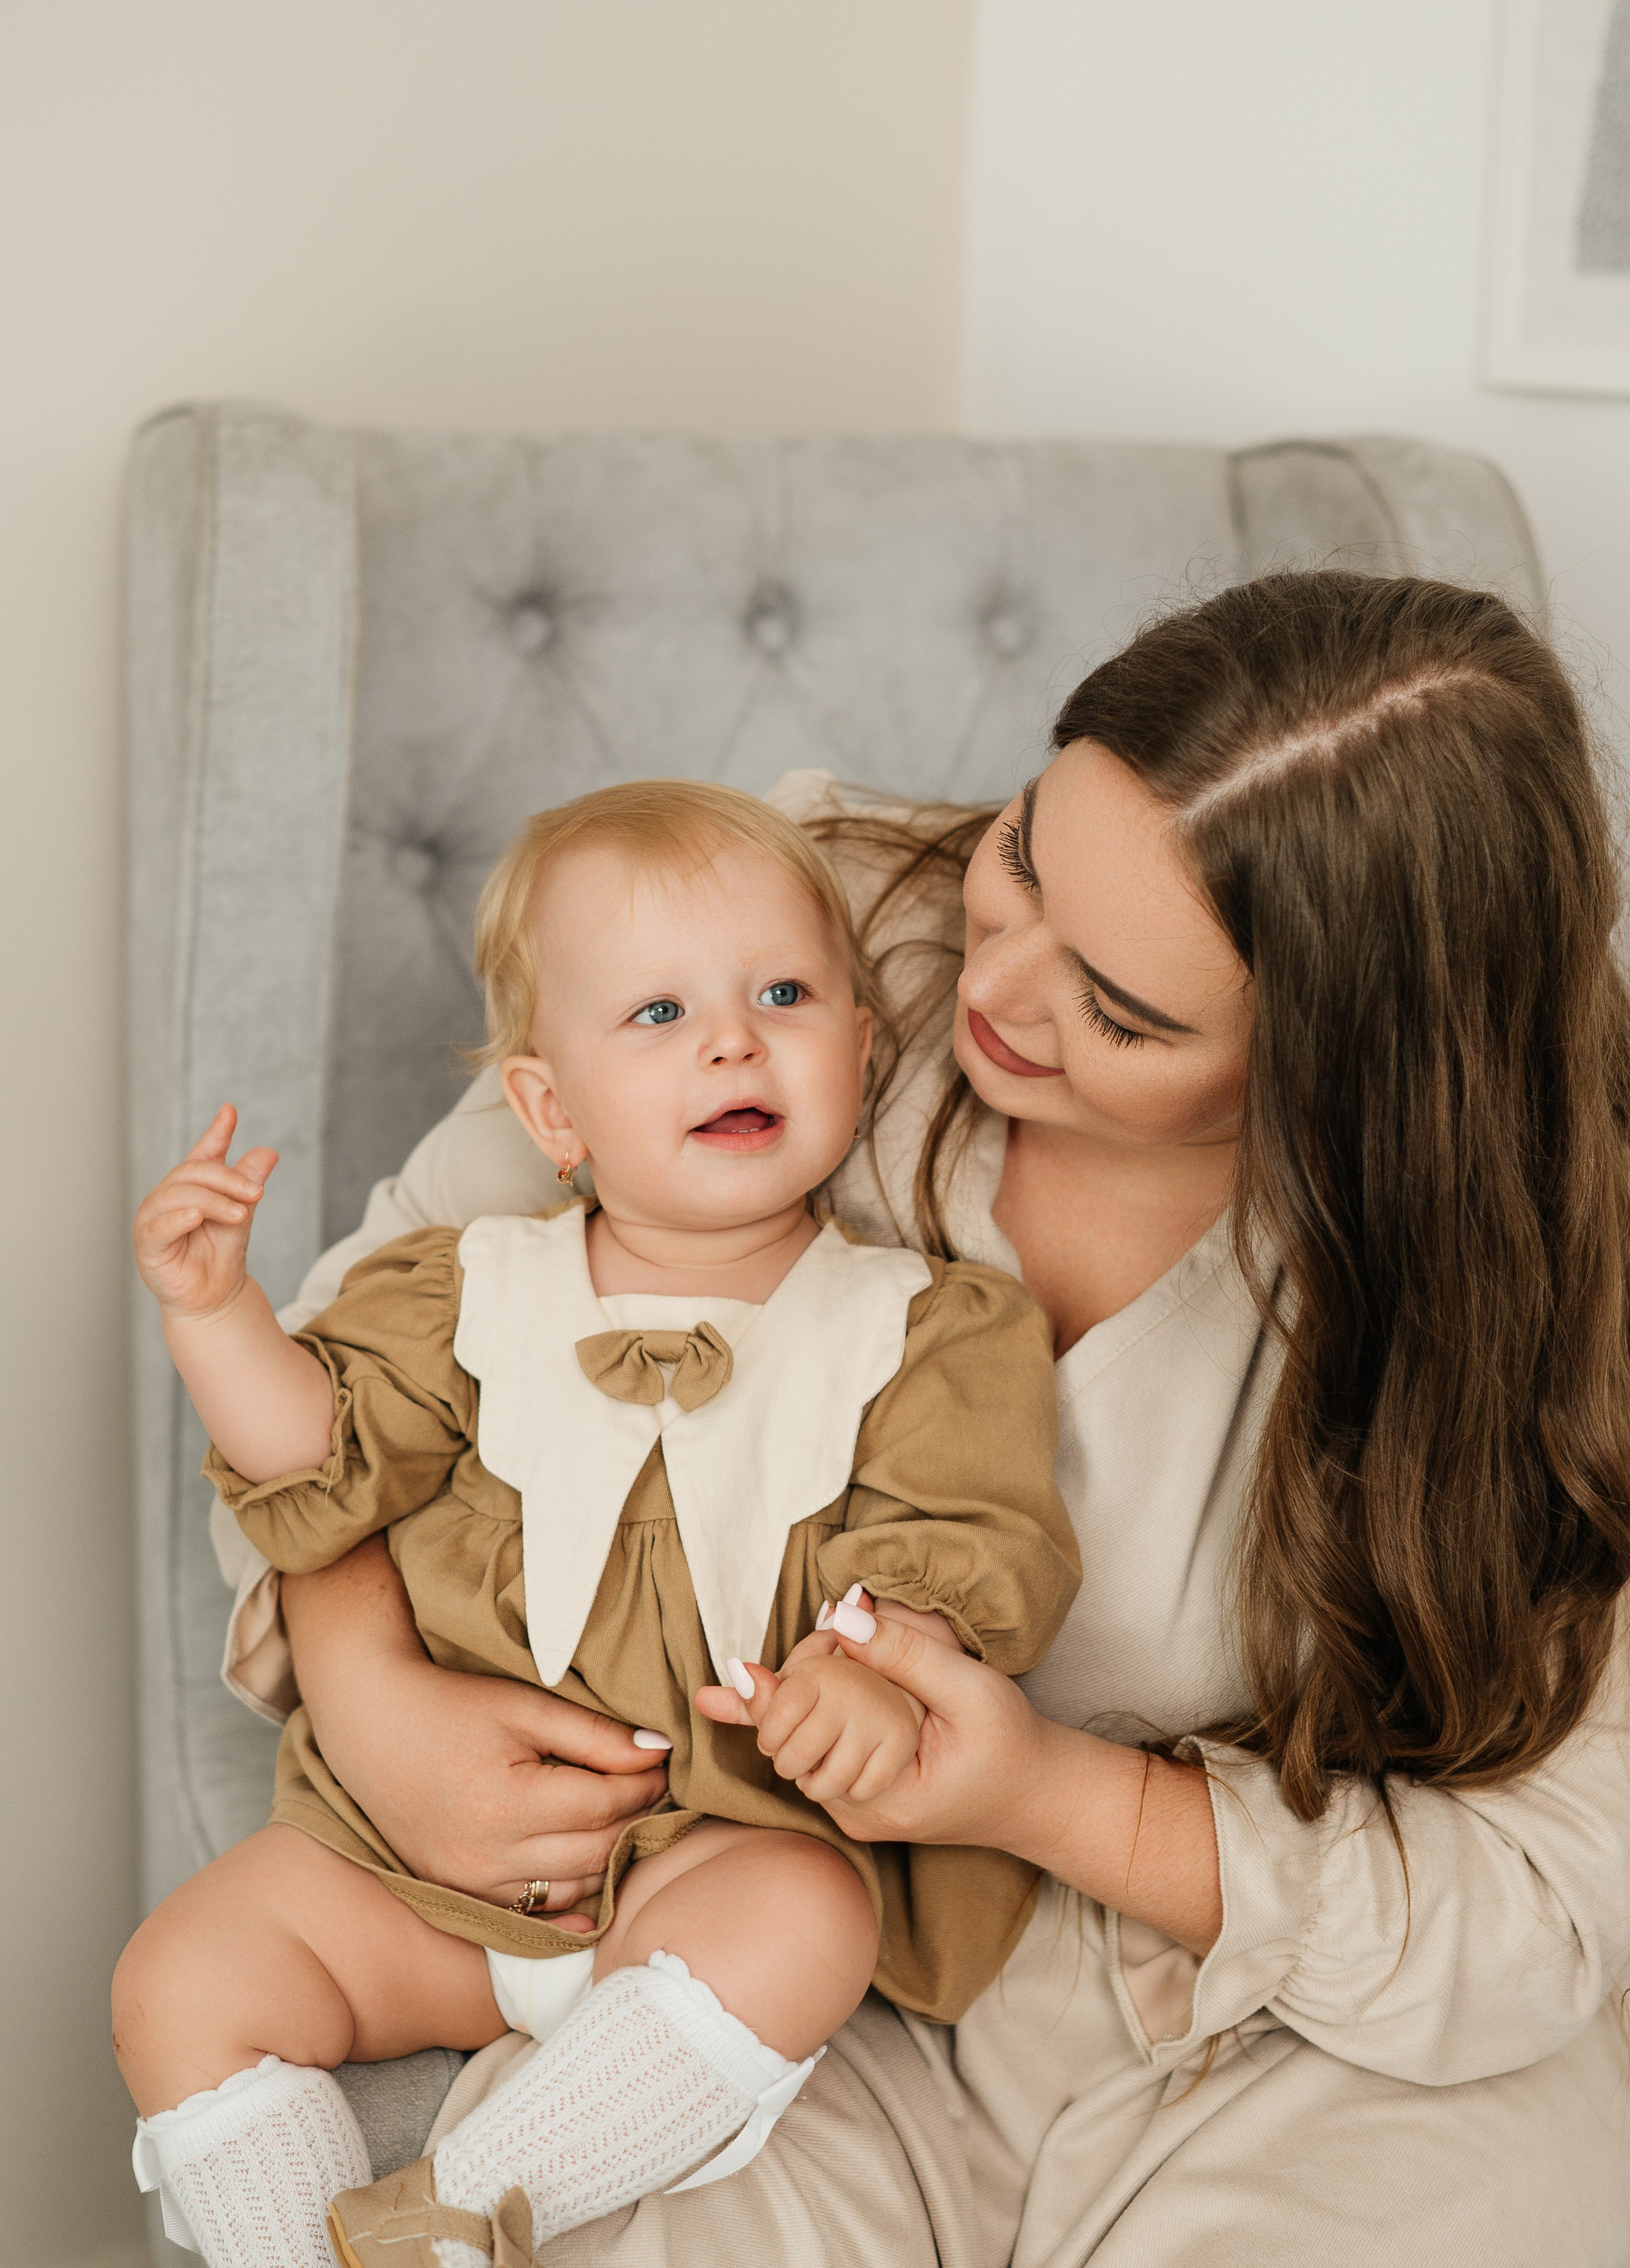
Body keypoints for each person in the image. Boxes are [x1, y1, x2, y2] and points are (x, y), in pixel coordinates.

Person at [202, 571, 1630, 2265]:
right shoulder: (797, 918)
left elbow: (1536, 1912)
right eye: (1025, 855)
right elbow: (343, 1367)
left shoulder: (1554, 1271)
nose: (993, 990)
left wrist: (1041, 1795)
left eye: (1120, 1010)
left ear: (1342, 1075)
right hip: (771, 1972)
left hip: (1296, 2027)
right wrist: (377, 1702)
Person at [114, 784, 1076, 2268]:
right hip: (413, 1875)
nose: (728, 1040)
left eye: (781, 993)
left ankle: (457, 2213)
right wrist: (214, 1315)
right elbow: (321, 1457)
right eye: (655, 1013)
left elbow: (956, 1542)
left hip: (708, 1850)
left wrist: (873, 1674)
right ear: (547, 1109)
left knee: (809, 1918)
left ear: (862, 1050)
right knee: (179, 1976)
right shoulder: (468, 1290)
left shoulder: (923, 1330)